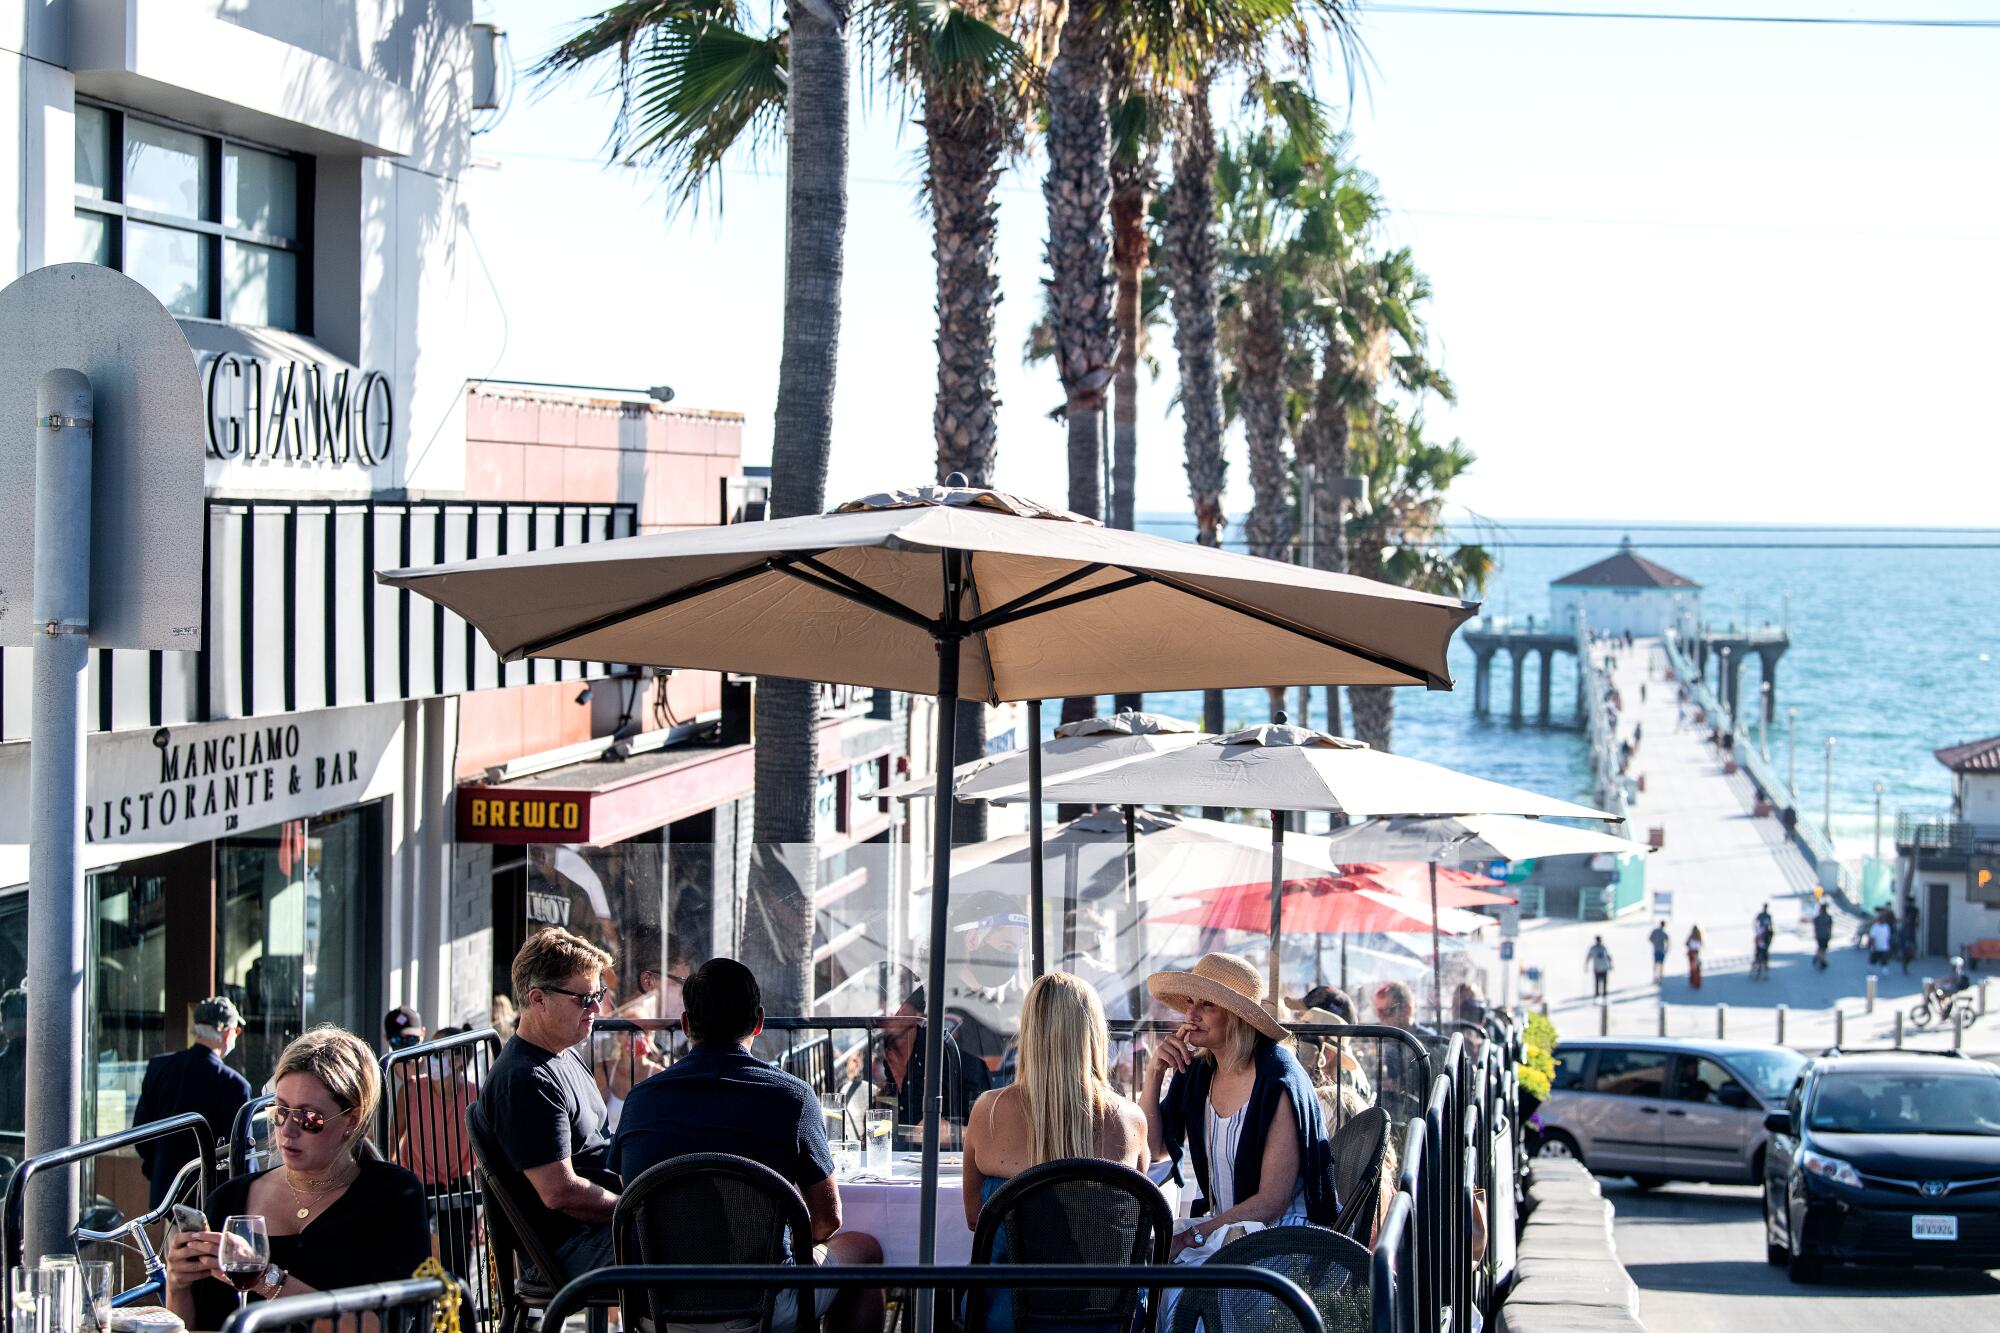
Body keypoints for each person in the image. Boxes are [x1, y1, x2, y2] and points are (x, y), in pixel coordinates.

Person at [612, 959, 883, 1333]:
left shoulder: (640, 1100)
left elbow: (627, 1197)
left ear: (687, 1024)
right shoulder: (792, 1099)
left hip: (655, 1310)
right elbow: (826, 1222)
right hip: (763, 1308)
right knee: (865, 1249)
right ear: (759, 1020)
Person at [165, 1027, 430, 1332]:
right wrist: (177, 1284)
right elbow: (191, 1326)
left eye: (308, 1118)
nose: (288, 1130)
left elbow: (382, 1326)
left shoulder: (392, 1195)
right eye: (280, 1110)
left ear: (351, 1120)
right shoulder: (229, 1199)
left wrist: (267, 1279)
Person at [961, 973, 1149, 1333]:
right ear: (1094, 1033)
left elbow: (975, 1220)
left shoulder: (989, 1111)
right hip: (1107, 1319)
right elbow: (1135, 1225)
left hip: (1009, 1317)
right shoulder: (1131, 1120)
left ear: (1028, 1032)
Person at [1141, 955, 1339, 1260]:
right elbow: (1153, 1150)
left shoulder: (1278, 1079)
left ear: (1237, 1016)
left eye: (1207, 1005)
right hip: (1227, 1229)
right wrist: (1154, 1073)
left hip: (1283, 1240)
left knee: (1169, 1278)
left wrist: (1193, 1236)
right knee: (1145, 1267)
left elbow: (1271, 1202)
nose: (1190, 1014)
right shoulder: (1199, 1071)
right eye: (1190, 1001)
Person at [477, 927, 621, 1278]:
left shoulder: (562, 1053)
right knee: (700, 1244)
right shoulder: (526, 1080)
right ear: (538, 999)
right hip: (568, 1249)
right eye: (584, 998)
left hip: (595, 1231)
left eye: (598, 994)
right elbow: (560, 1193)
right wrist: (637, 1208)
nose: (597, 1007)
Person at [132, 997, 253, 1209]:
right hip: (213, 1201)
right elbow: (242, 1154)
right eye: (237, 1031)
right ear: (227, 1033)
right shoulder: (234, 1084)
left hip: (166, 1197)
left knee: (170, 1243)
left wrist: (160, 1168)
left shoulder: (159, 1067)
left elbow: (142, 1135)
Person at [876, 986, 991, 1147]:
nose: (890, 1010)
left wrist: (951, 1132)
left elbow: (987, 1131)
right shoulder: (877, 1053)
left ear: (918, 1013)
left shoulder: (949, 1056)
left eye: (899, 1003)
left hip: (944, 1164)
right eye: (885, 1002)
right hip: (892, 1159)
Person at [1812, 903, 1834, 970]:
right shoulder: (1829, 917)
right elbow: (1830, 927)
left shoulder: (1817, 918)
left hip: (1819, 935)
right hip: (1825, 935)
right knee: (1823, 949)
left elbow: (1815, 927)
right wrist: (1830, 934)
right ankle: (1822, 961)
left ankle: (1819, 957)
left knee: (1821, 948)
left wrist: (1815, 934)